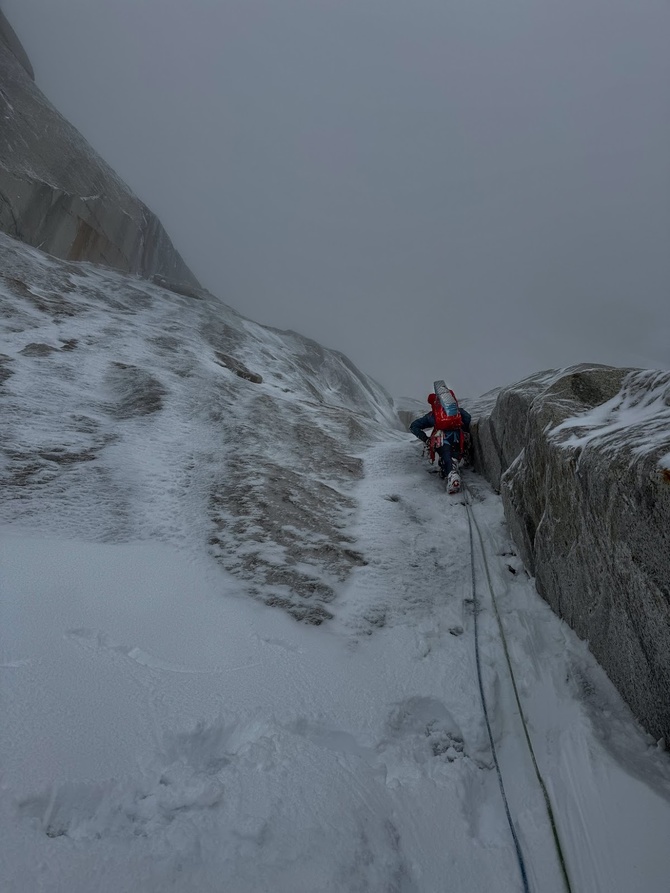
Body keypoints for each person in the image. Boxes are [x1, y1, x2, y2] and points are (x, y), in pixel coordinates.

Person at [410, 392, 472, 486]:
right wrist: (464, 430)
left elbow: (414, 426)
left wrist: (426, 439)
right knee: (454, 455)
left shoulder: (433, 415)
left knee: (445, 454)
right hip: (457, 437)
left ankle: (452, 478)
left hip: (442, 438)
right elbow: (467, 418)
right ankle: (453, 468)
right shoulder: (456, 411)